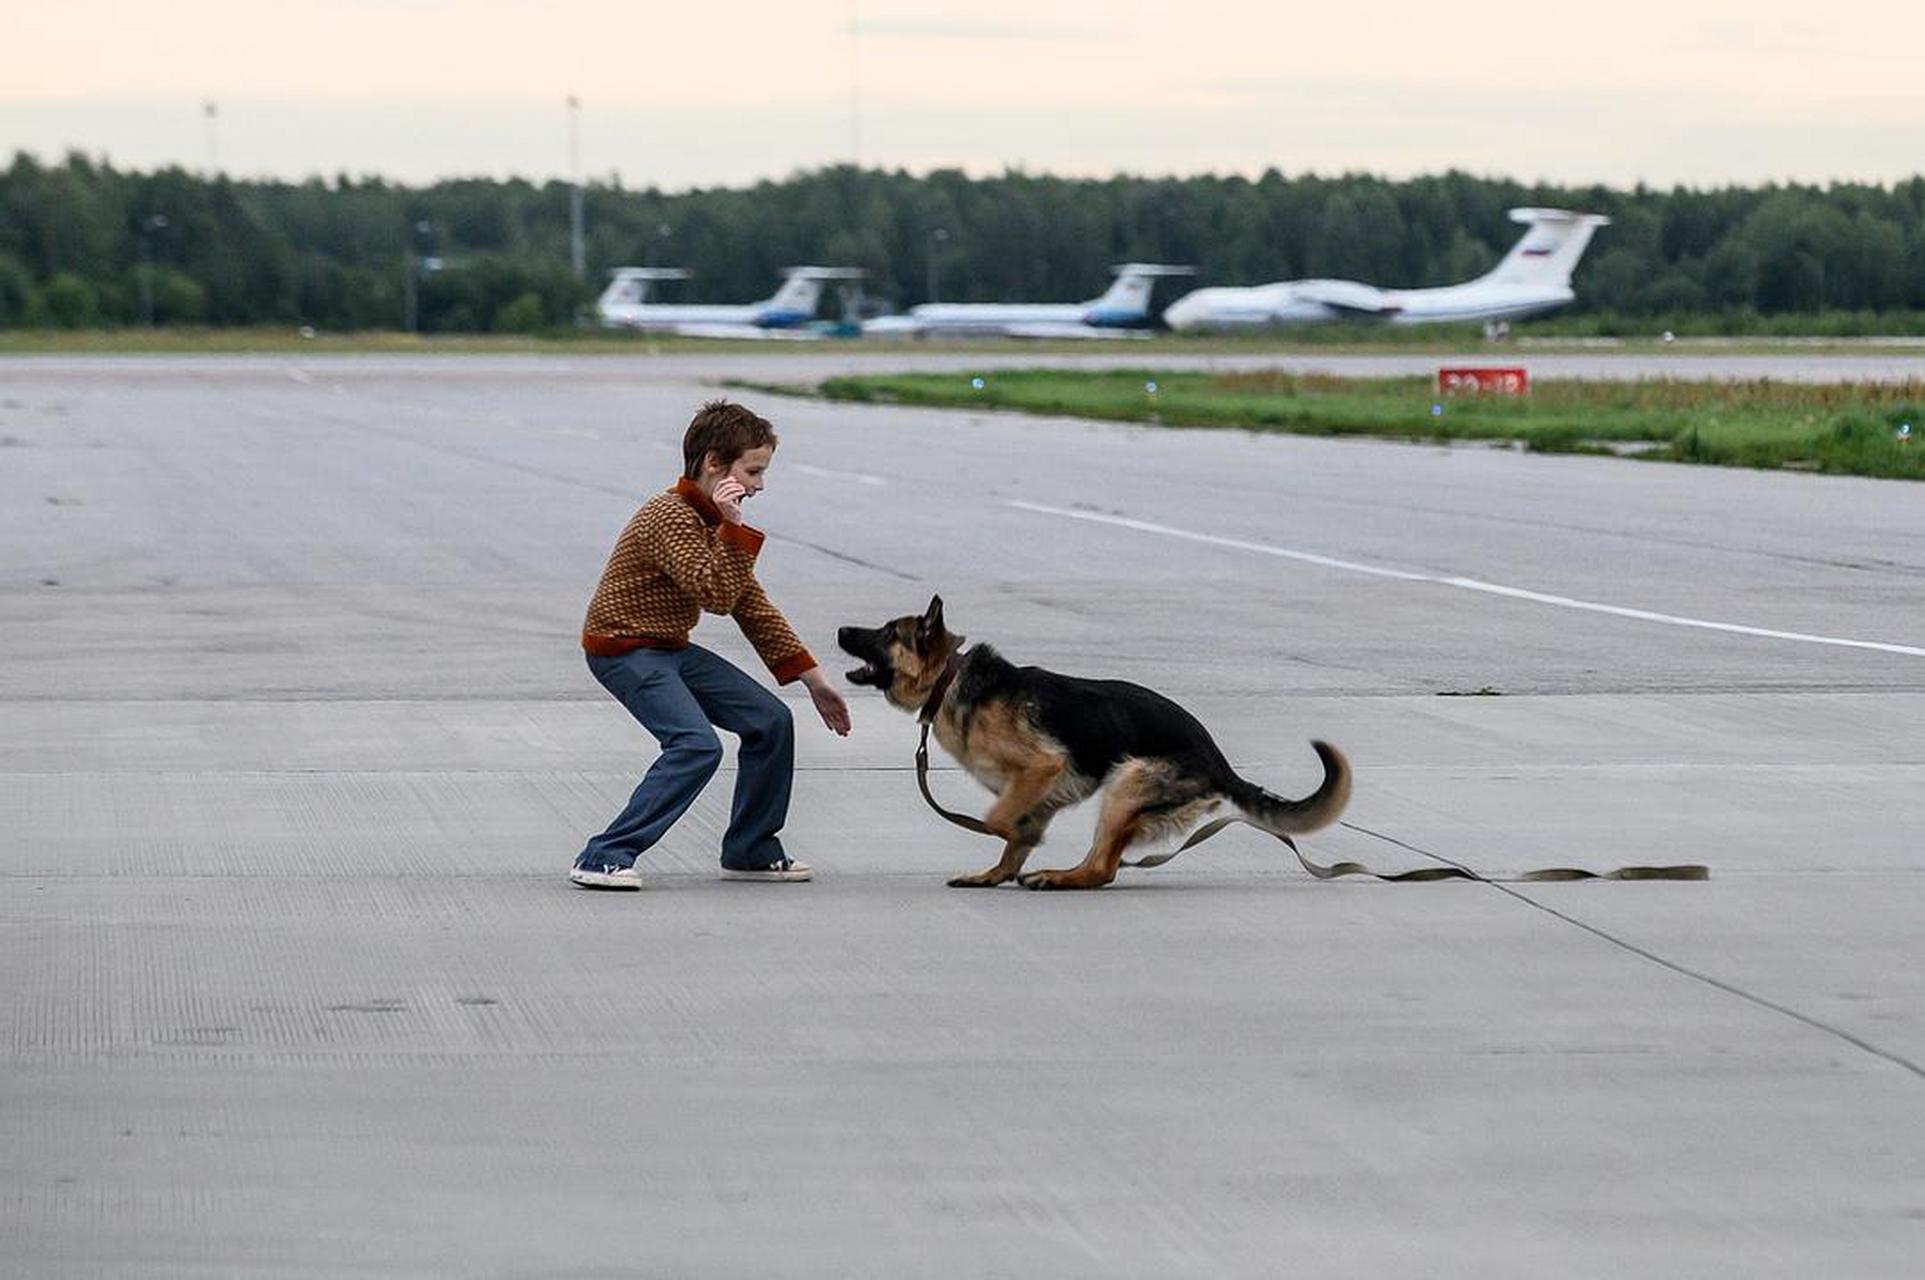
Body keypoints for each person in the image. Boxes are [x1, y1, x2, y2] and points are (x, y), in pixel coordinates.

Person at [571, 399, 850, 889]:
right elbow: (718, 595)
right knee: (696, 744)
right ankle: (603, 856)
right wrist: (733, 527)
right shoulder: (671, 516)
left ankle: (751, 850)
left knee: (771, 721)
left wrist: (813, 680)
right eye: (753, 471)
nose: (759, 485)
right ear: (713, 464)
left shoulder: (709, 522)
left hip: (668, 649)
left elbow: (751, 605)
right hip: (623, 650)